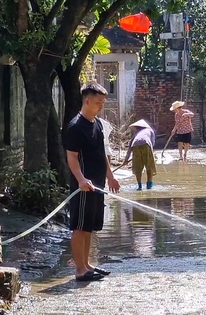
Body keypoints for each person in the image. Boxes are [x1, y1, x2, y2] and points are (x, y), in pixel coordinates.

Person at [63, 82, 121, 282]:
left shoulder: (96, 124)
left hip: (97, 184)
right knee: (79, 226)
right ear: (87, 101)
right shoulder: (75, 127)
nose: (101, 106)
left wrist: (110, 175)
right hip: (83, 186)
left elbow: (101, 153)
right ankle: (80, 269)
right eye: (98, 102)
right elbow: (71, 157)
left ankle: (86, 264)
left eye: (102, 102)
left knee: (89, 226)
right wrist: (81, 180)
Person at [122, 119, 157, 190]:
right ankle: (149, 185)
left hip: (135, 146)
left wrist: (126, 159)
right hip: (146, 145)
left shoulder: (136, 134)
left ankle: (139, 186)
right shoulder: (150, 130)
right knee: (149, 166)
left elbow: (129, 147)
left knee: (138, 167)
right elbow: (152, 143)